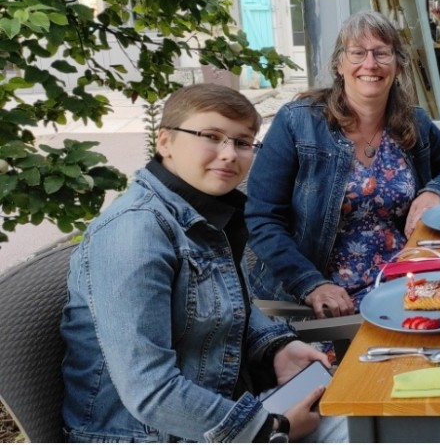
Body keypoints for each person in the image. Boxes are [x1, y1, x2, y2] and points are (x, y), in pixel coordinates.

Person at [61, 84, 342, 443]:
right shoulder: (134, 233)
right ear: (165, 142)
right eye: (211, 136)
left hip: (221, 415)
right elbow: (152, 392)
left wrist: (275, 347)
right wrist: (271, 429)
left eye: (242, 143)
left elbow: (227, 303)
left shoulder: (202, 213)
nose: (229, 154)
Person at [246, 10, 440, 318]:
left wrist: (434, 192)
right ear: (339, 65)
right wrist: (311, 284)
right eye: (357, 53)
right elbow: (262, 220)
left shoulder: (412, 121)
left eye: (382, 53)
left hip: (401, 281)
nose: (370, 64)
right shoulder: (297, 122)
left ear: (397, 65)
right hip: (323, 303)